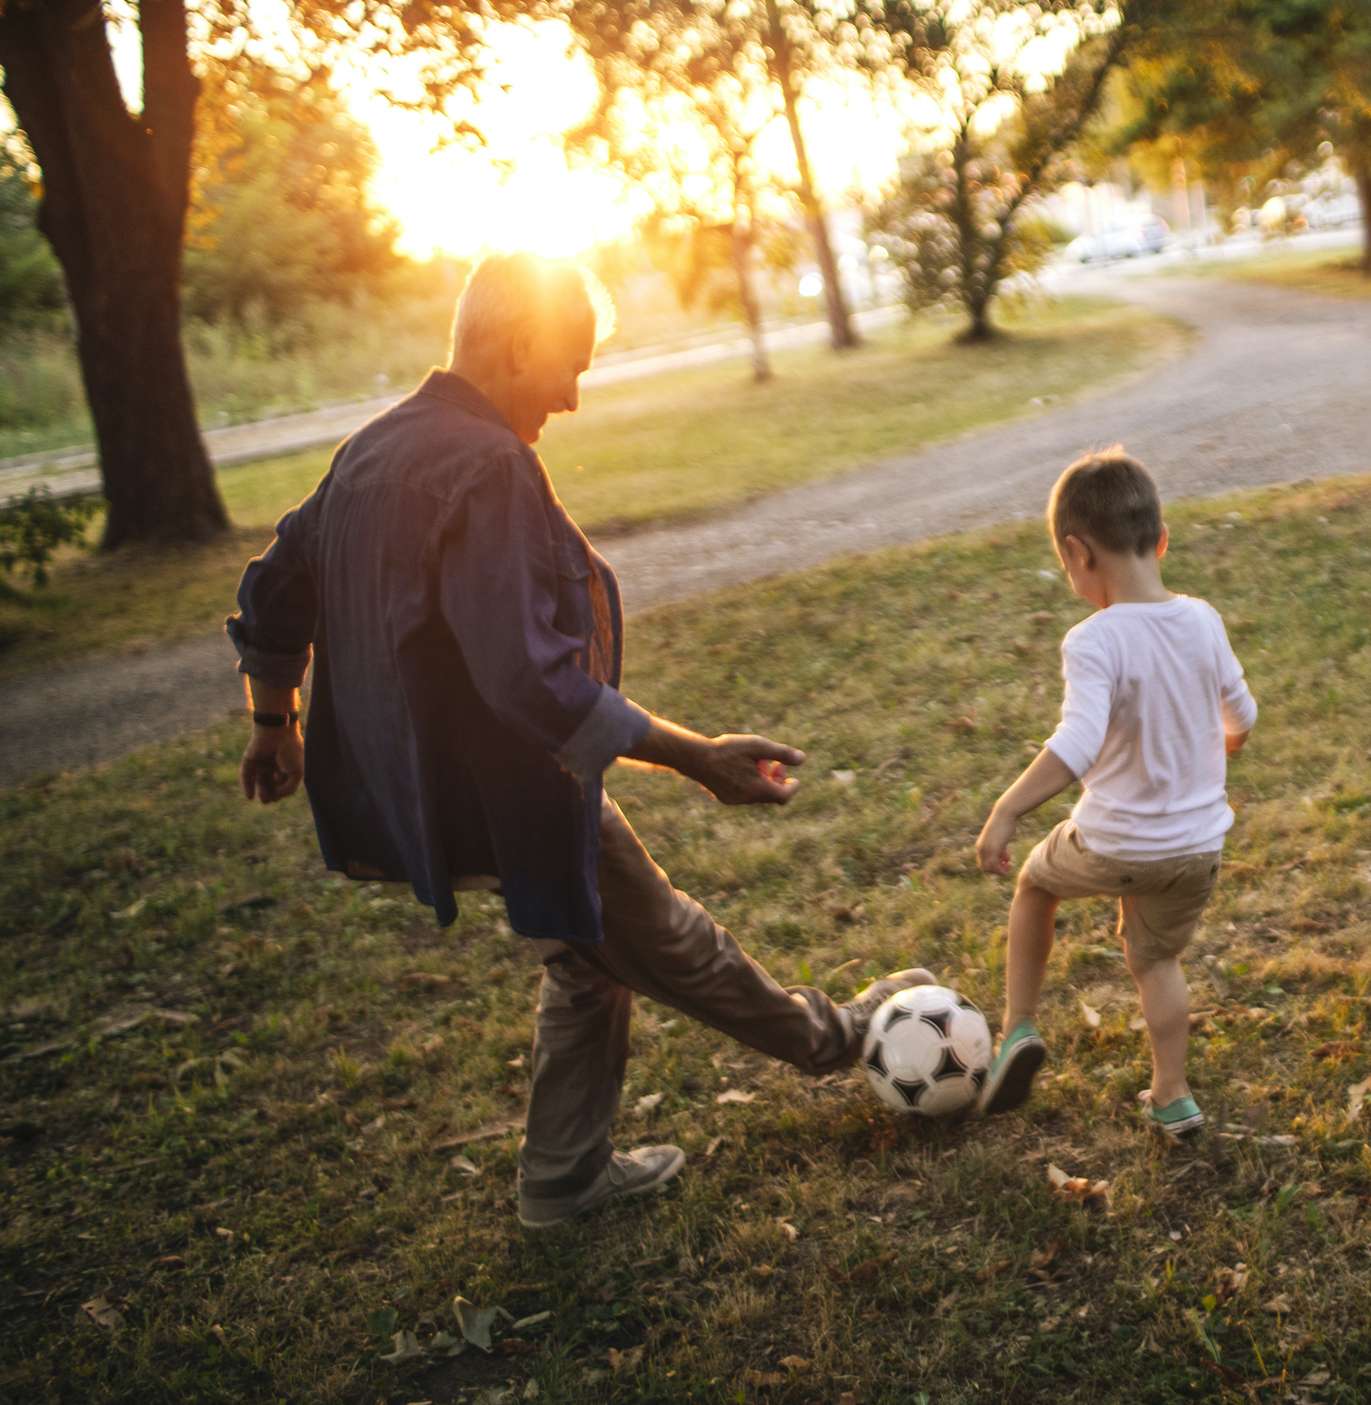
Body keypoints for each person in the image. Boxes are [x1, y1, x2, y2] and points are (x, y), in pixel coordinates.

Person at [227, 250, 930, 1228]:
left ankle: (562, 1178)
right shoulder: (487, 466)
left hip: (428, 785)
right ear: (515, 344)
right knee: (668, 938)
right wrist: (699, 756)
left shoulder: (373, 448)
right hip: (508, 784)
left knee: (588, 951)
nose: (570, 396)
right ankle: (843, 1039)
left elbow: (272, 587)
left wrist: (273, 721)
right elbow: (529, 680)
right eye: (571, 365)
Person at [973, 448, 1256, 1135]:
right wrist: (1217, 746)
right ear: (1160, 540)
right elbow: (1241, 717)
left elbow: (1075, 745)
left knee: (1037, 886)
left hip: (1114, 842)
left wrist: (1008, 808)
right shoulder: (1202, 619)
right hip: (1196, 848)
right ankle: (1173, 1092)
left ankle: (1017, 1028)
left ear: (1077, 553)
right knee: (1155, 958)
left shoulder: (1093, 640)